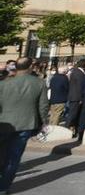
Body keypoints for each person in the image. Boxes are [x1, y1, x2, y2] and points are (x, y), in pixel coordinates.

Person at [0, 57, 49, 194]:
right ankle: (3, 187)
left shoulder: (4, 83)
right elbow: (43, 106)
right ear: (30, 67)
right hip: (26, 123)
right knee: (13, 157)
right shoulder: (39, 83)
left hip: (4, 123)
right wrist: (43, 122)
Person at [67, 59, 85, 136]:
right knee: (72, 115)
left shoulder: (75, 72)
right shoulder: (78, 73)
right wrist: (81, 98)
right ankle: (68, 130)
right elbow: (80, 86)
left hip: (74, 96)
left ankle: (72, 129)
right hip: (76, 97)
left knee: (74, 114)